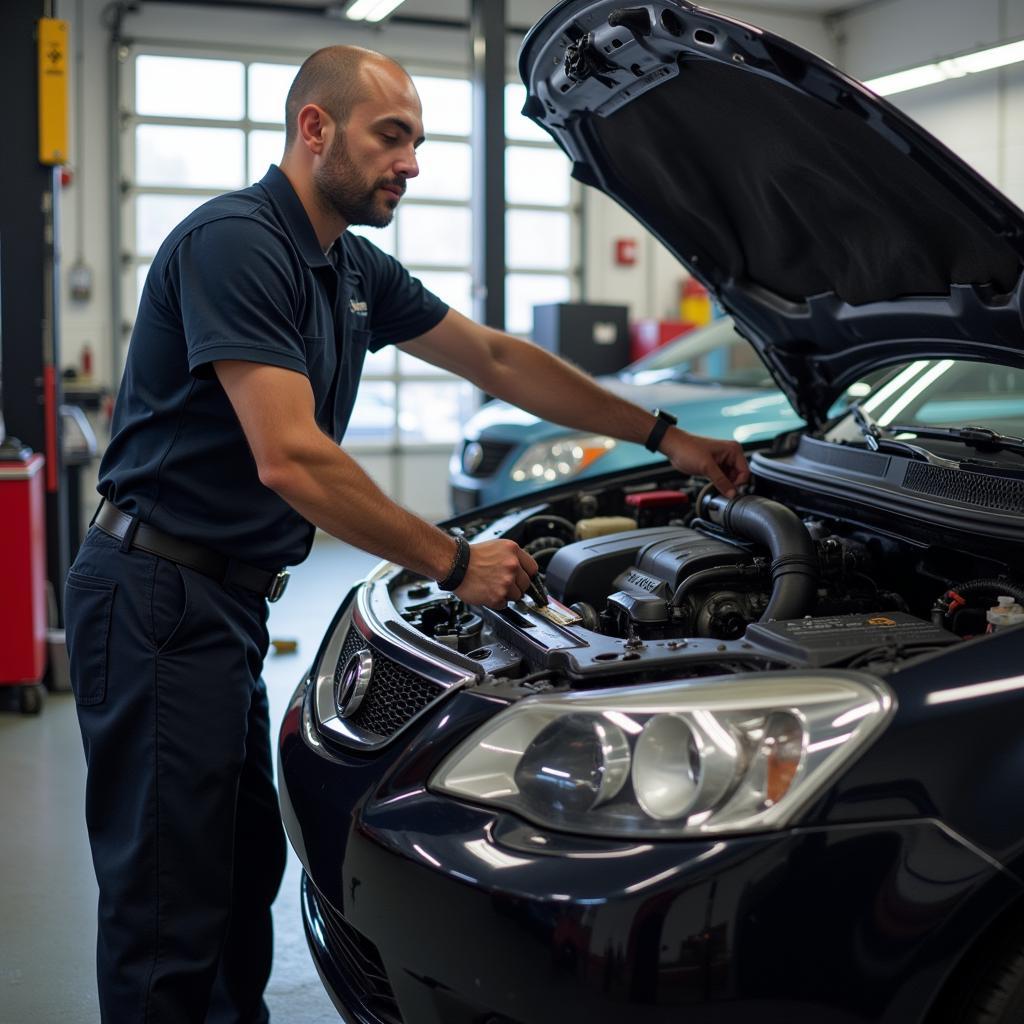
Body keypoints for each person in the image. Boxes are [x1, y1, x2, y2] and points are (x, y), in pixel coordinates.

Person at [64, 44, 749, 1023]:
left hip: (218, 602)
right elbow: (290, 458)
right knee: (169, 904)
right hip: (156, 596)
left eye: (418, 140)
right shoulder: (238, 244)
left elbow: (497, 358)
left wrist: (664, 436)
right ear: (315, 128)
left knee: (233, 876)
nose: (412, 162)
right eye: (392, 135)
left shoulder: (345, 266)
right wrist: (454, 562)